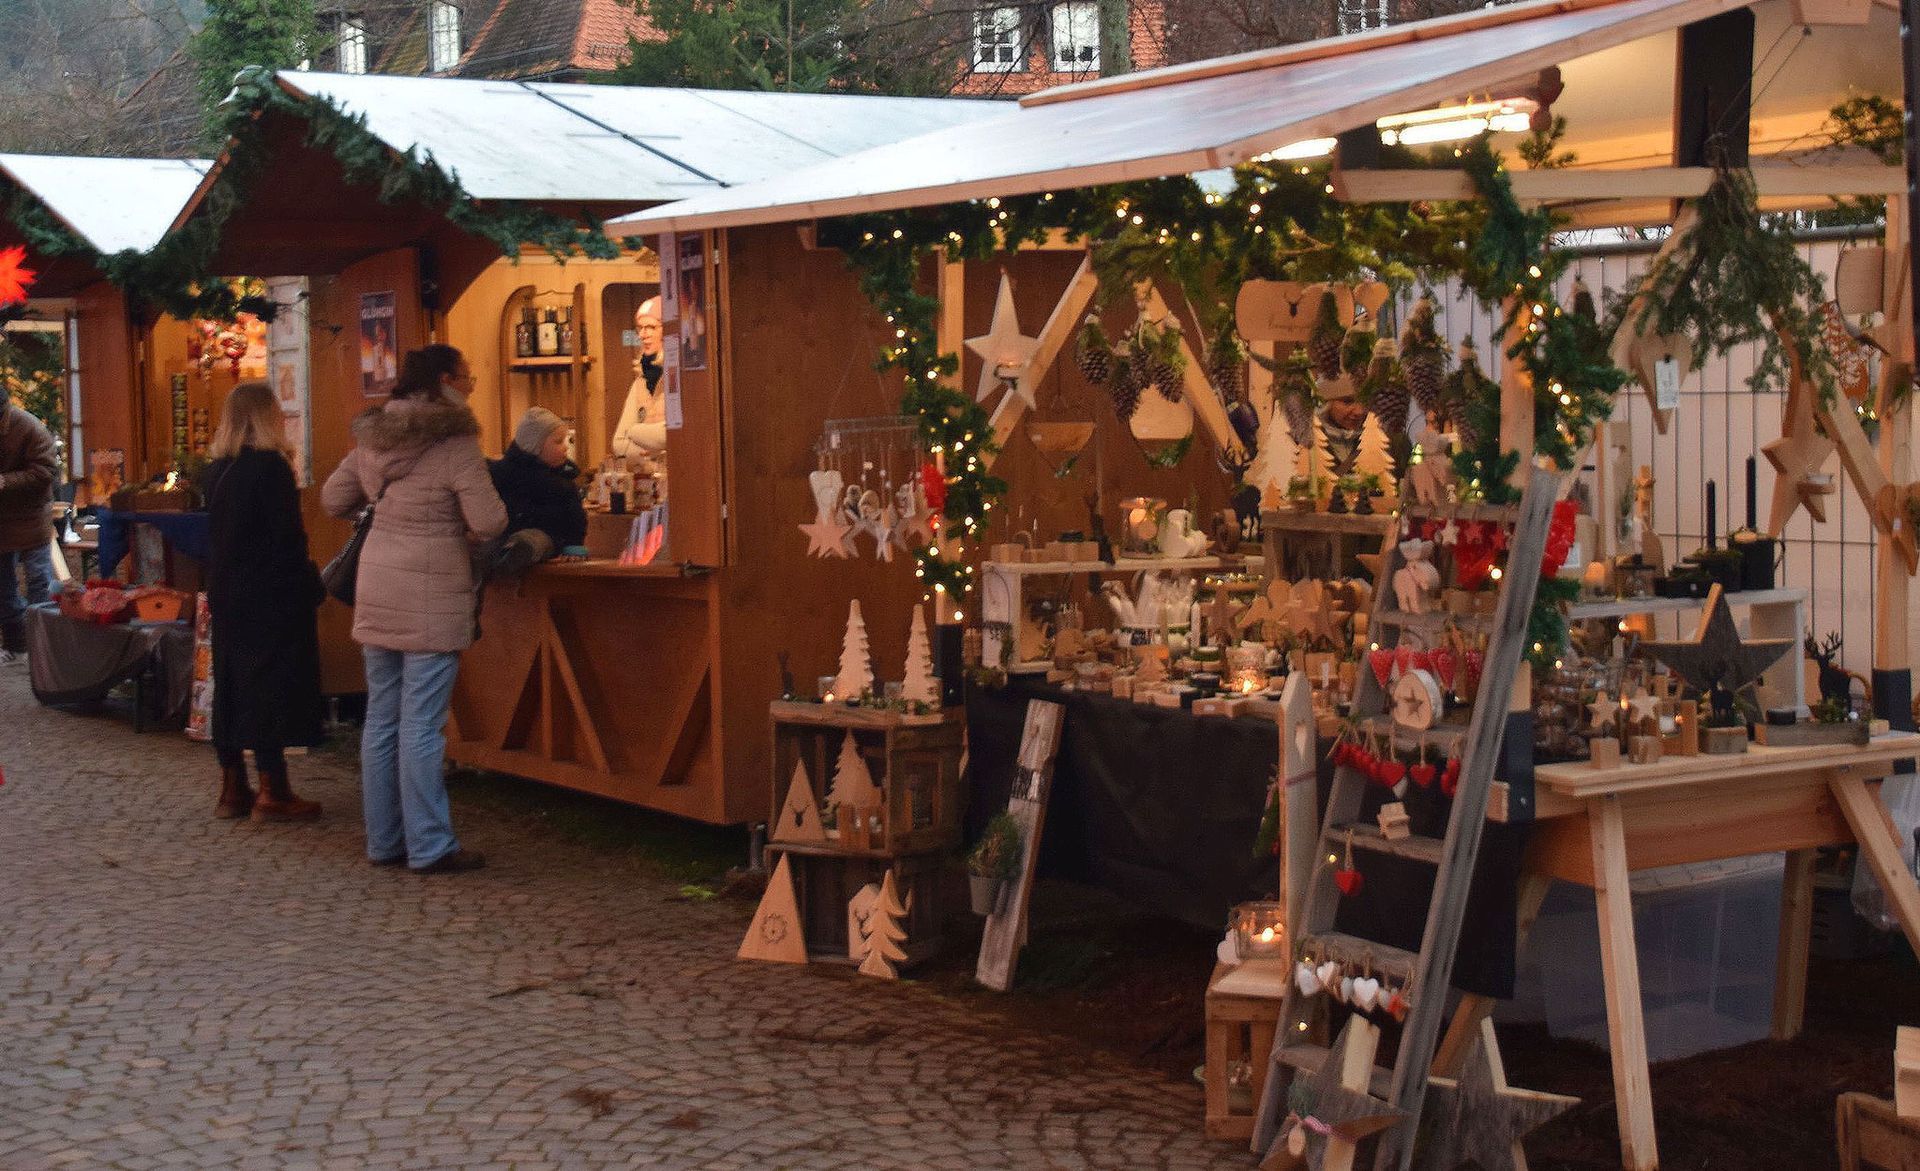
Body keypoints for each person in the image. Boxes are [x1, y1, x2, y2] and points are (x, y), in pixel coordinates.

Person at [323, 344, 505, 874]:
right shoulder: (455, 443)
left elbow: (335, 499)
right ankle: (429, 845)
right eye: (467, 375)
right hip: (432, 591)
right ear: (447, 380)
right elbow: (489, 520)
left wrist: (385, 511)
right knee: (422, 725)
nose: (471, 384)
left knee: (381, 719)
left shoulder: (373, 435)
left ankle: (384, 841)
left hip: (378, 584)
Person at [204, 382, 325, 821]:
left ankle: (233, 785)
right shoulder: (270, 469)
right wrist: (309, 586)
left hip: (228, 590)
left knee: (233, 683)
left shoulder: (217, 470)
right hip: (270, 594)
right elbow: (286, 539)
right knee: (270, 687)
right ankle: (273, 787)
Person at [487, 407, 588, 577]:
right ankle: (502, 555)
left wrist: (574, 546)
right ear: (534, 445)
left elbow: (575, 518)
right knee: (490, 543)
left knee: (535, 541)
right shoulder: (504, 473)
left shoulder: (563, 482)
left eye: (565, 441)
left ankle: (516, 552)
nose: (565, 448)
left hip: (547, 534)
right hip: (504, 531)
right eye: (558, 442)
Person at [0, 395, 57, 667]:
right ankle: (17, 645)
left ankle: (43, 645)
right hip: (2, 517)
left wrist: (4, 481)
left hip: (31, 515)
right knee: (3, 587)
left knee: (38, 580)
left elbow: (45, 472)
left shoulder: (31, 427)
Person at [610, 297, 666, 476]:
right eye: (640, 328)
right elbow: (618, 443)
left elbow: (670, 434)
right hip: (647, 483)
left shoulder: (680, 378)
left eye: (650, 327)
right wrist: (655, 453)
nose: (643, 334)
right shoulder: (640, 383)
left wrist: (634, 431)